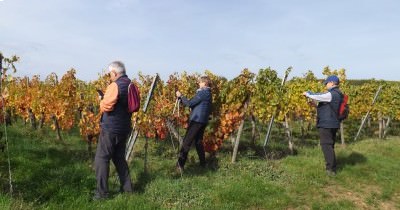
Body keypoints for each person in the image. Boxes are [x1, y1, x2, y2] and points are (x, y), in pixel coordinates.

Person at [93, 61, 133, 200]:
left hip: (111, 128)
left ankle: (102, 194)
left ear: (115, 73)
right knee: (119, 158)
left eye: (110, 73)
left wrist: (101, 100)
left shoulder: (115, 85)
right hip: (124, 128)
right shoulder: (131, 85)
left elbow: (107, 107)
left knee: (102, 159)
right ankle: (128, 189)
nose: (109, 76)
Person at [303, 75, 343, 176]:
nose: (326, 85)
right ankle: (333, 167)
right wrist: (316, 106)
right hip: (332, 123)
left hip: (327, 124)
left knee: (326, 145)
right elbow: (328, 107)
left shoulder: (332, 94)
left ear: (333, 83)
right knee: (330, 145)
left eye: (327, 83)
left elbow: (318, 96)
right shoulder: (338, 94)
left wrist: (308, 93)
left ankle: (330, 170)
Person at [175, 75, 212, 172]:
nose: (199, 84)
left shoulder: (203, 93)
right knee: (198, 142)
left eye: (200, 82)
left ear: (204, 83)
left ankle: (180, 166)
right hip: (203, 120)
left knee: (187, 142)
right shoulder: (208, 93)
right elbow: (194, 104)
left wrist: (181, 96)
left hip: (196, 120)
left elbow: (190, 103)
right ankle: (203, 164)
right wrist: (182, 100)